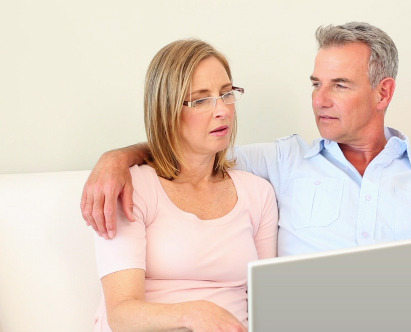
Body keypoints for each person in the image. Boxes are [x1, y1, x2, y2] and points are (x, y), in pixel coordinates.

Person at [82, 23, 411, 331]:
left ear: (383, 93)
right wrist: (117, 158)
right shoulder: (281, 163)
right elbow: (191, 155)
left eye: (339, 85)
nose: (320, 100)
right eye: (316, 83)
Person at [91, 39, 278, 332]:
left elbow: (268, 307)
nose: (223, 110)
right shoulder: (132, 188)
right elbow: (120, 314)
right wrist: (193, 314)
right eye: (201, 100)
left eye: (227, 94)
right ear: (167, 111)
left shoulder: (258, 193)